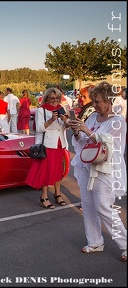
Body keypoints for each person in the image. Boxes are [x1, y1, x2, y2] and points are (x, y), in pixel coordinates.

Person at [69, 81, 127, 262]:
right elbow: (84, 141)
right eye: (94, 102)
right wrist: (77, 132)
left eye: (98, 102)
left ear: (109, 101)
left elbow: (107, 143)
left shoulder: (117, 121)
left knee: (103, 206)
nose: (95, 105)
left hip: (105, 169)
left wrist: (86, 130)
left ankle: (125, 244)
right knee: (87, 205)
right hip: (88, 165)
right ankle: (95, 241)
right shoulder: (93, 117)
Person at [25, 87, 70, 209]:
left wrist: (66, 120)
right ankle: (44, 196)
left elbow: (66, 127)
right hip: (48, 144)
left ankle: (57, 193)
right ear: (46, 98)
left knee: (58, 170)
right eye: (52, 98)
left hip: (59, 143)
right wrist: (51, 120)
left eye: (57, 98)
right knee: (47, 170)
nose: (55, 101)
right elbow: (38, 128)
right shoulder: (41, 110)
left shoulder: (62, 108)